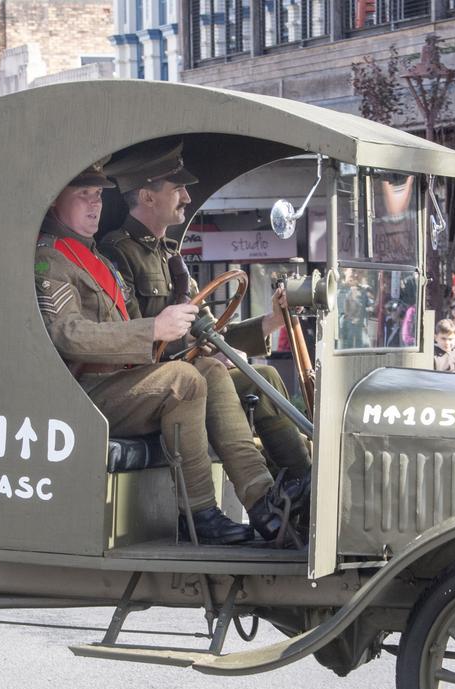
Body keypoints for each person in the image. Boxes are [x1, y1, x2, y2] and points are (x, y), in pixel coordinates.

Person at [38, 162, 305, 546]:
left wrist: (264, 324)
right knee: (184, 380)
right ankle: (198, 513)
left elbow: (149, 327)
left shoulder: (95, 258)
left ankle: (264, 501)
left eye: (98, 195)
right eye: (83, 195)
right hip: (82, 392)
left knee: (216, 372)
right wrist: (153, 330)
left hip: (121, 378)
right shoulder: (52, 259)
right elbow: (66, 334)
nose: (94, 205)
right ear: (55, 202)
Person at [100, 142, 311, 484]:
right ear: (147, 197)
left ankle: (302, 486)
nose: (186, 197)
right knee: (212, 371)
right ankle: (264, 496)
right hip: (154, 384)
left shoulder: (171, 256)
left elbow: (212, 334)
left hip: (189, 372)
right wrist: (197, 353)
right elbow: (133, 338)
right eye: (178, 188)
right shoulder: (118, 253)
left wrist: (273, 320)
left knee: (267, 378)